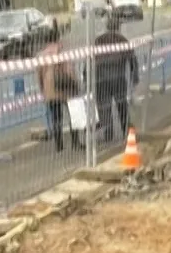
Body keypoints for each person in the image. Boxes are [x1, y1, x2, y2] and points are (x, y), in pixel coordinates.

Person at [91, 15, 138, 144]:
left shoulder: (99, 40)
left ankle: (108, 133)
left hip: (101, 79)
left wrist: (86, 77)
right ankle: (125, 131)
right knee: (122, 105)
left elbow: (91, 60)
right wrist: (135, 77)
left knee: (104, 107)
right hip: (117, 77)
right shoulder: (122, 39)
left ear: (107, 26)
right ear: (118, 27)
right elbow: (132, 59)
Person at [38, 41, 83, 152]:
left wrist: (43, 91)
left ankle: (59, 145)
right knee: (73, 116)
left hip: (50, 90)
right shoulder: (63, 51)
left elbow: (39, 75)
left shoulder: (42, 56)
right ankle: (75, 142)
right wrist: (75, 84)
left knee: (56, 118)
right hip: (66, 89)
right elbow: (70, 70)